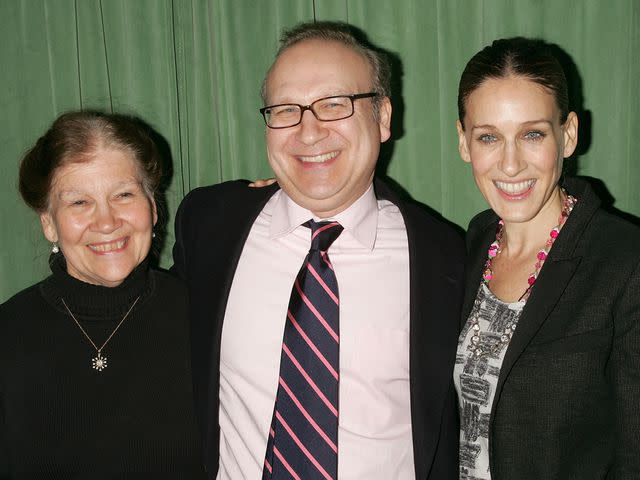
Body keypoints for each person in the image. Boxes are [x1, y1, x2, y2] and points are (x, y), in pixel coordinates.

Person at [172, 21, 465, 480]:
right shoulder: (210, 223)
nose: (309, 132)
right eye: (286, 109)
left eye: (334, 104)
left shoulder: (446, 257)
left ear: (383, 117)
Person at [454, 37, 640, 479]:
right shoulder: (470, 243)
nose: (511, 163)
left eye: (532, 134)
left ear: (568, 134)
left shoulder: (626, 262)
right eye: (488, 138)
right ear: (464, 143)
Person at [0, 111, 205, 476]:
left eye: (124, 194)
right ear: (48, 222)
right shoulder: (7, 335)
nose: (107, 222)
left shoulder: (205, 318)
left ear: (153, 206)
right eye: (79, 202)